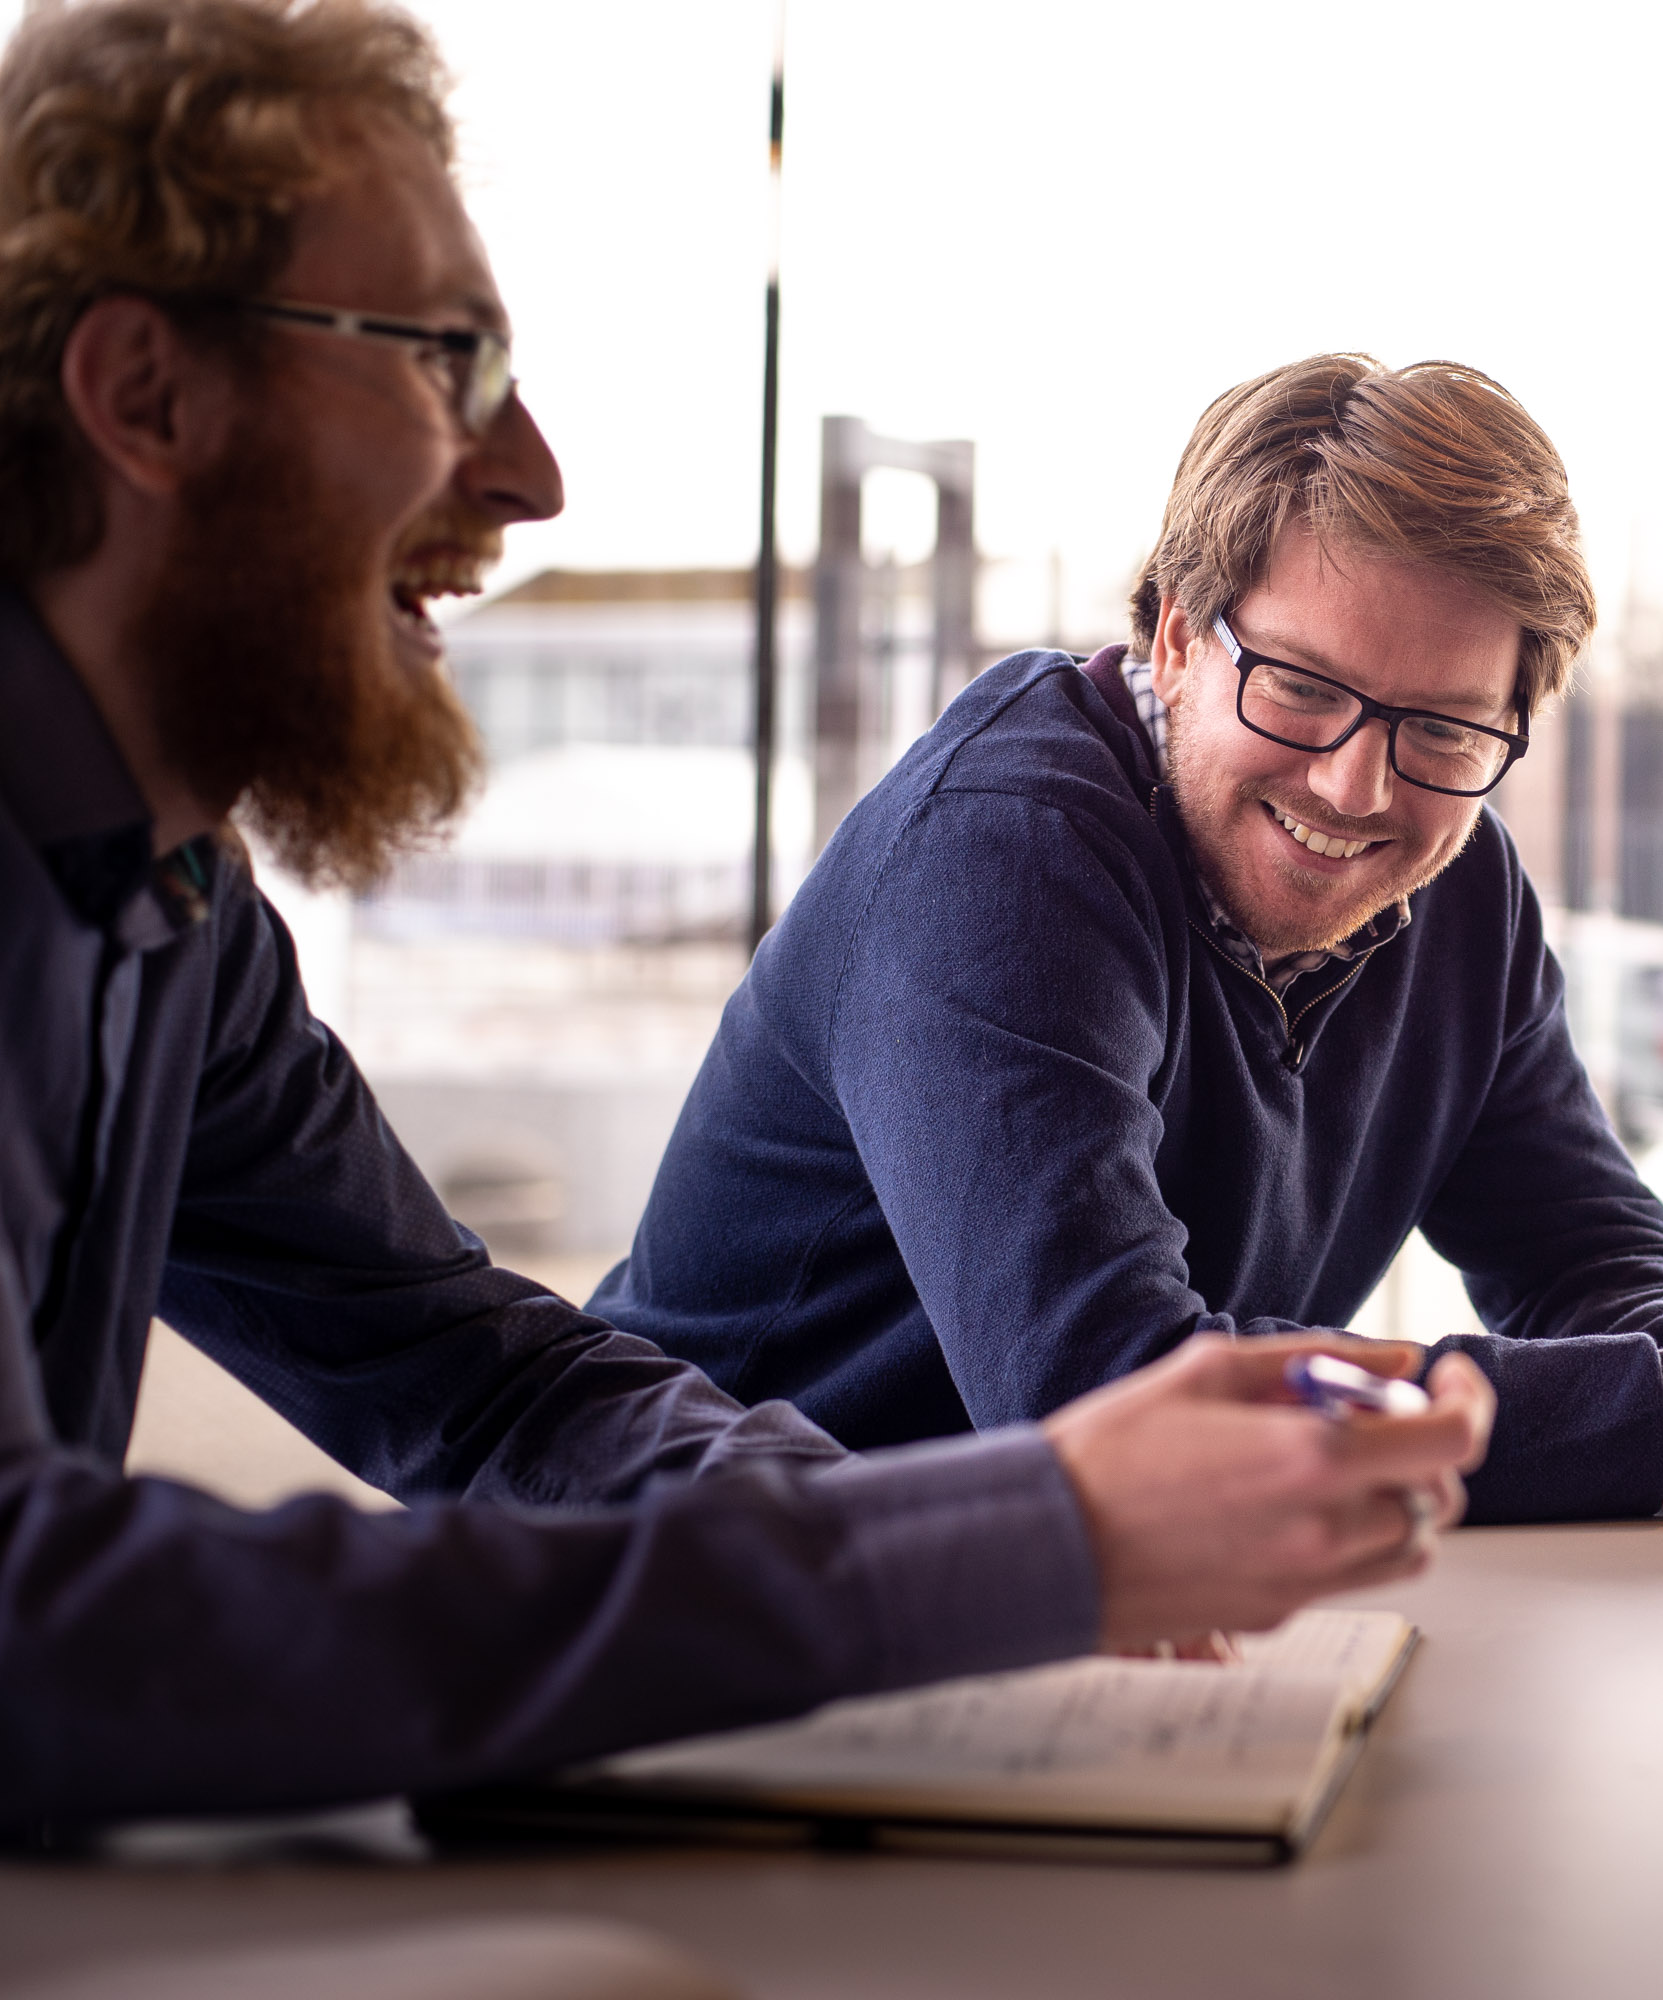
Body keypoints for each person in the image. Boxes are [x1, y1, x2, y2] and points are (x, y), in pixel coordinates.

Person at [0, 0, 1492, 1843]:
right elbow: (37, 1626)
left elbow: (475, 1379)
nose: (531, 473)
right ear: (145, 396)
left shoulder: (171, 900)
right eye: (444, 363)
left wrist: (966, 1546)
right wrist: (988, 1552)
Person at [596, 356, 1663, 1521]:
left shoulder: (1456, 880)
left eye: (1443, 724)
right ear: (1178, 638)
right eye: (1303, 687)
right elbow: (1106, 1387)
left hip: (1022, 1602)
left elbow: (1576, 1246)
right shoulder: (1003, 858)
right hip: (700, 1588)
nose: (1356, 787)